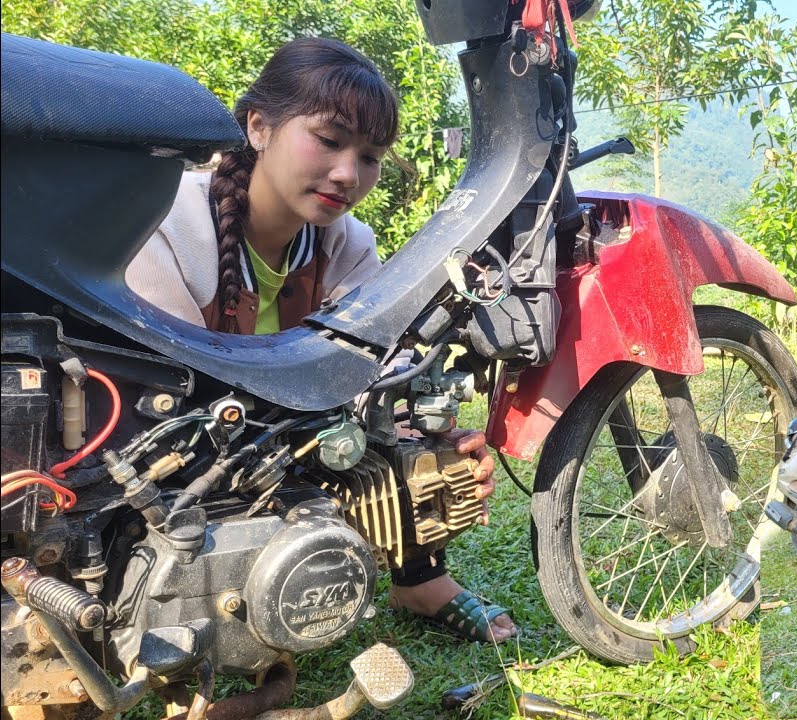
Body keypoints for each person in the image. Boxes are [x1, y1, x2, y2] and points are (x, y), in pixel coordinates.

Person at [126, 37, 517, 643]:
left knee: (410, 425)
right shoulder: (165, 221)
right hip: (171, 447)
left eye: (369, 156)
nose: (348, 174)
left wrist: (429, 440)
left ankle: (418, 577)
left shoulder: (347, 243)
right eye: (329, 141)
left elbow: (374, 374)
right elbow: (170, 396)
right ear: (258, 127)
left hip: (272, 439)